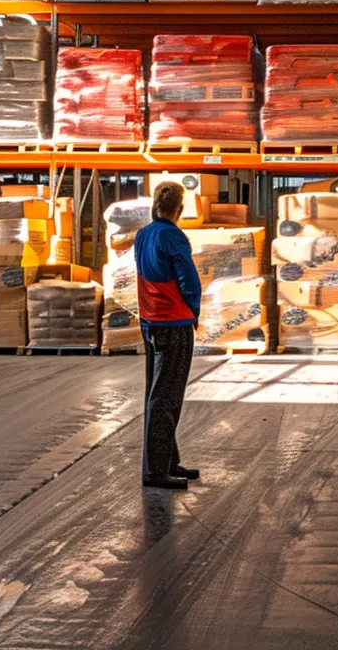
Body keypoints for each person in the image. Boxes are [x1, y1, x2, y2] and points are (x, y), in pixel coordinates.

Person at [134, 182, 204, 490]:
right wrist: (195, 309)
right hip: (174, 323)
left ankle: (166, 462)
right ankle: (156, 473)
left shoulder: (143, 234)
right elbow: (188, 279)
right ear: (180, 209)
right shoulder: (173, 235)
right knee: (166, 397)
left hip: (151, 322)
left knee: (158, 392)